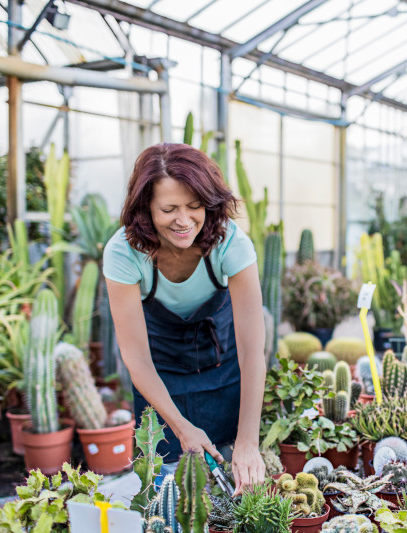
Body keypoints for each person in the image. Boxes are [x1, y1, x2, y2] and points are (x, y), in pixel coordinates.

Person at [103, 143, 266, 495]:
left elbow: (253, 352)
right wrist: (179, 427)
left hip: (222, 365)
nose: (184, 220)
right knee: (164, 495)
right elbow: (136, 359)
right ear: (145, 207)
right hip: (158, 374)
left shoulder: (230, 243)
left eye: (195, 207)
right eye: (168, 209)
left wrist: (248, 441)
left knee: (229, 487)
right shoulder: (123, 253)